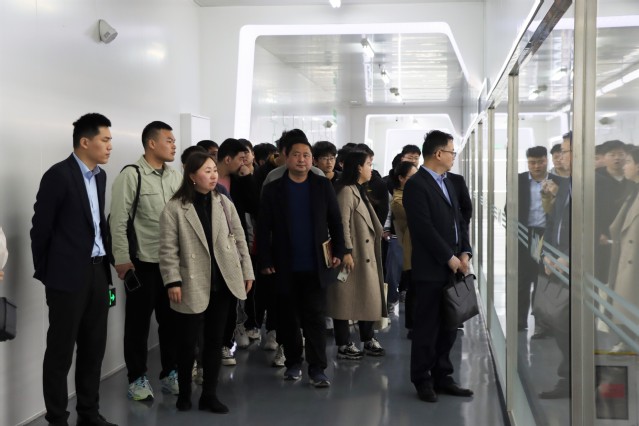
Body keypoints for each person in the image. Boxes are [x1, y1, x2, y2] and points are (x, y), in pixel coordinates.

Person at [30, 113, 117, 426]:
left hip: (97, 273)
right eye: (105, 140)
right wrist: (48, 273)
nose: (110, 146)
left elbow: (98, 225)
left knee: (94, 349)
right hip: (66, 278)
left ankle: (89, 413)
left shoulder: (101, 177)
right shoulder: (58, 175)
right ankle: (57, 418)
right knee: (60, 352)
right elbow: (40, 229)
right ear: (85, 142)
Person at [159, 152, 254, 413]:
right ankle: (184, 393)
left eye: (214, 170)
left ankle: (209, 395)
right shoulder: (175, 207)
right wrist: (172, 281)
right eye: (207, 171)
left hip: (222, 282)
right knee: (187, 343)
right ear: (192, 176)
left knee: (214, 341)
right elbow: (167, 249)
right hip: (191, 281)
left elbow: (240, 239)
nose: (213, 176)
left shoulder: (223, 202)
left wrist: (247, 271)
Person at [257, 129, 345, 387]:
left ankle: (317, 368)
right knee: (288, 318)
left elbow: (335, 220)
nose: (302, 160)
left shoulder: (321, 185)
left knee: (315, 317)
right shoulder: (273, 189)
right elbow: (263, 228)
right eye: (296, 155)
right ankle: (294, 362)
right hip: (284, 264)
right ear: (286, 157)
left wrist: (340, 250)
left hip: (315, 264)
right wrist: (265, 259)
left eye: (306, 155)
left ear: (311, 159)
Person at [110, 121, 182, 401]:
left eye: (174, 141)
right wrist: (122, 259)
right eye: (169, 140)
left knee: (172, 322)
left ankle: (170, 373)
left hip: (171, 264)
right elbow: (118, 220)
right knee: (137, 325)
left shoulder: (175, 176)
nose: (174, 145)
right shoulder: (132, 175)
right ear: (152, 143)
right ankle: (137, 378)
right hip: (142, 265)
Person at [403, 130, 473, 403]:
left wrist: (465, 252)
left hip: (454, 266)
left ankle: (443, 376)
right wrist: (448, 257)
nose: (454, 156)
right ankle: (422, 379)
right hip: (431, 268)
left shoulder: (449, 182)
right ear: (438, 153)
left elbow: (459, 220)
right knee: (427, 327)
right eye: (452, 152)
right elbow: (423, 229)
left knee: (449, 326)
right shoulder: (416, 185)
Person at [327, 150, 387, 360]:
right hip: (353, 255)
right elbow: (341, 223)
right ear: (359, 167)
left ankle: (367, 337)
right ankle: (344, 343)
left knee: (367, 296)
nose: (371, 168)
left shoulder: (359, 189)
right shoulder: (346, 191)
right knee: (343, 299)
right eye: (369, 164)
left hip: (364, 254)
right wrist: (346, 251)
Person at [538, 133, 573, 399]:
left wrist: (568, 256)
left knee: (568, 324)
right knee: (563, 325)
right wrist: (548, 255)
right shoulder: (565, 185)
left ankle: (573, 380)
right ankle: (570, 379)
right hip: (559, 263)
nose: (561, 157)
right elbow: (554, 222)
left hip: (575, 266)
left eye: (566, 151)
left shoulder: (589, 185)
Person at [607, 146, 639, 352]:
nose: (624, 166)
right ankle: (626, 340)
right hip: (627, 259)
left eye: (627, 162)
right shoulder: (632, 191)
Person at [517, 146, 552, 335]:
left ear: (546, 160)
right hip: (525, 233)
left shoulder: (555, 181)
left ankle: (541, 323)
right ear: (527, 162)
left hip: (545, 235)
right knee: (523, 279)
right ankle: (519, 320)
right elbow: (509, 207)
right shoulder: (519, 180)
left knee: (542, 279)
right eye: (532, 162)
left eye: (540, 162)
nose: (537, 166)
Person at [594, 140, 630, 282]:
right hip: (604, 236)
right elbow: (591, 210)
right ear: (603, 157)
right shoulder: (595, 179)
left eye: (621, 154)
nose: (617, 158)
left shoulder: (632, 178)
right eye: (612, 154)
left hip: (627, 234)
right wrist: (597, 232)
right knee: (604, 274)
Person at [390, 161, 418, 334]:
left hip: (418, 249)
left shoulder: (412, 195)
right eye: (412, 177)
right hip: (412, 250)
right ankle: (413, 327)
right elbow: (417, 216)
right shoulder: (398, 200)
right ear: (401, 178)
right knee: (414, 289)